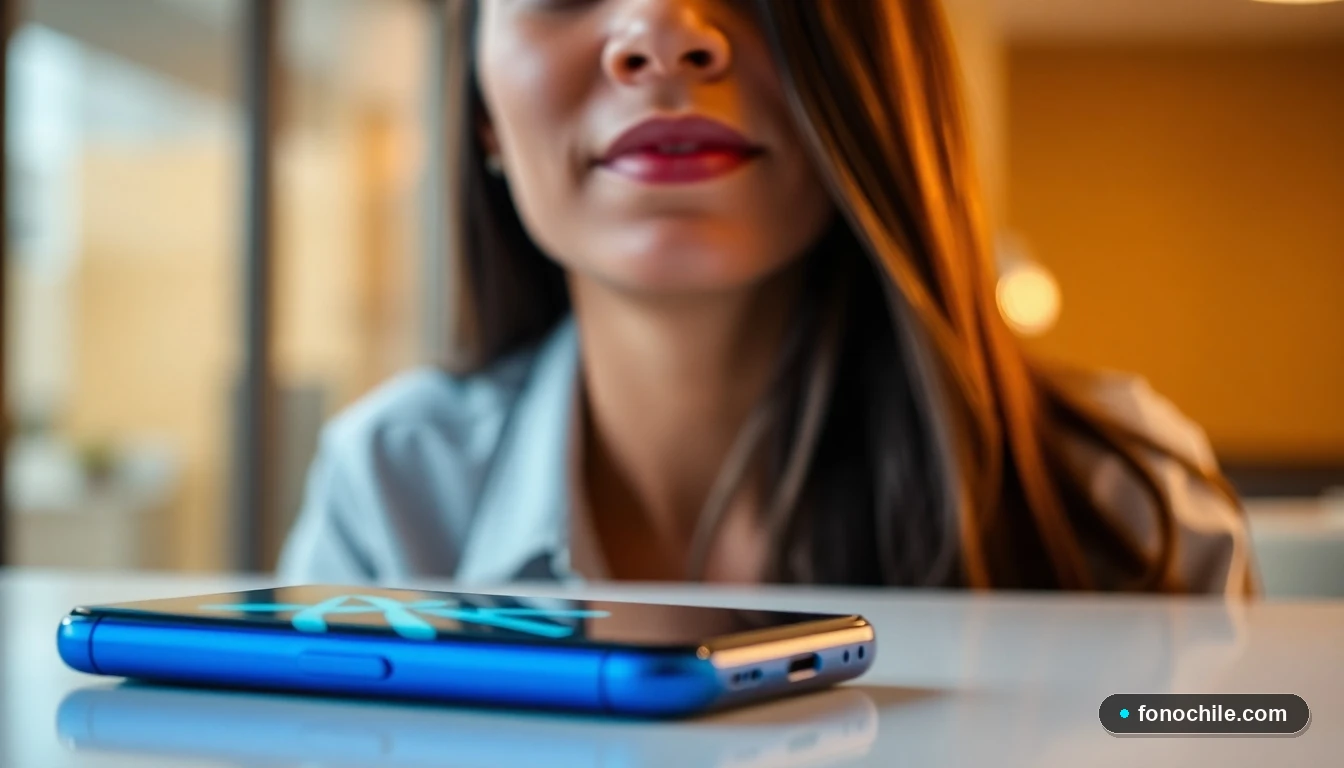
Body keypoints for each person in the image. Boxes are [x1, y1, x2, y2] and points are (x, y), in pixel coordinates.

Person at [278, 0, 1255, 593]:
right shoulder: (391, 493)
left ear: (878, 63)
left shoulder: (1126, 505)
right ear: (483, 114)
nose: (662, 35)